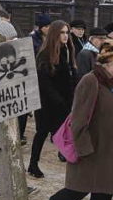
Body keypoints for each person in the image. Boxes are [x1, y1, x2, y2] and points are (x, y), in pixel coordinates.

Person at [49, 40, 113, 200]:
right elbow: (78, 118)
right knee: (83, 187)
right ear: (102, 63)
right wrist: (84, 148)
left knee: (104, 190)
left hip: (110, 146)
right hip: (93, 146)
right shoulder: (91, 81)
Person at [28, 20, 77, 179]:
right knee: (42, 132)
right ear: (55, 34)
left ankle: (68, 157)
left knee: (64, 132)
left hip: (64, 101)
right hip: (48, 103)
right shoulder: (45, 53)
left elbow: (70, 76)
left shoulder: (68, 50)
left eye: (67, 32)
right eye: (62, 33)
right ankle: (33, 163)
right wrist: (58, 100)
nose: (65, 36)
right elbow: (44, 81)